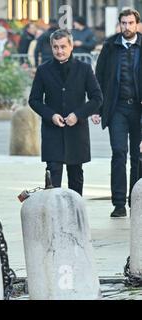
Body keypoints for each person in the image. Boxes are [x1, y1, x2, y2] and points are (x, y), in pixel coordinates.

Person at [28, 29, 103, 196]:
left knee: (76, 175)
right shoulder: (43, 70)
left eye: (63, 46)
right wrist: (51, 115)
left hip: (76, 131)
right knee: (53, 174)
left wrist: (78, 114)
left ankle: (75, 214)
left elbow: (97, 98)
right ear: (51, 47)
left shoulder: (84, 69)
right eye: (55, 47)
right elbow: (34, 100)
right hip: (52, 131)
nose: (59, 51)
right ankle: (52, 214)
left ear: (71, 47)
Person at [93, 8, 142, 217]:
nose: (127, 27)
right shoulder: (110, 46)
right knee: (119, 153)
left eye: (131, 23)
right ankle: (119, 203)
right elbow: (99, 77)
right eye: (124, 23)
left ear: (137, 24)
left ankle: (136, 201)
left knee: (138, 157)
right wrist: (97, 108)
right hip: (117, 109)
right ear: (119, 24)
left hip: (139, 110)